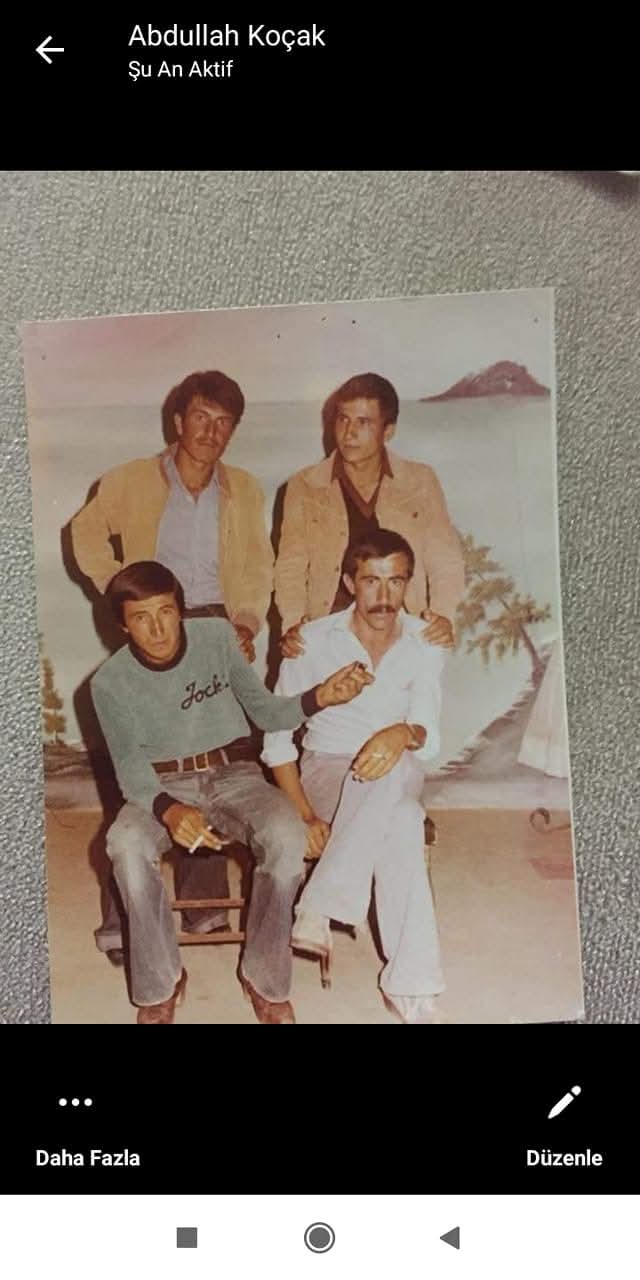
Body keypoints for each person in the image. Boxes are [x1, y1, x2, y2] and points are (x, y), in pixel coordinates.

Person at [90, 560, 372, 1025]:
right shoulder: (109, 683)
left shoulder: (217, 638)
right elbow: (130, 769)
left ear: (181, 610)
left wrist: (320, 696)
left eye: (166, 612)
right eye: (141, 617)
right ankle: (161, 984)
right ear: (122, 626)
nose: (158, 629)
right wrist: (169, 809)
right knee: (125, 843)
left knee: (286, 835)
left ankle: (263, 978)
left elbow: (266, 712)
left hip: (234, 775)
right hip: (159, 785)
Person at [71, 369, 274, 954]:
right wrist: (124, 593)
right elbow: (84, 532)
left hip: (214, 627)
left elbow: (258, 565)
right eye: (201, 417)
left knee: (214, 761)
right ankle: (123, 918)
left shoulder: (245, 489)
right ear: (178, 420)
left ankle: (204, 906)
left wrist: (246, 622)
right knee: (140, 762)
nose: (211, 432)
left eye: (224, 423)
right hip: (155, 623)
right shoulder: (132, 479)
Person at [262, 529, 446, 1024]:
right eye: (371, 581)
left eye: (396, 582)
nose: (384, 597)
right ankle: (411, 986)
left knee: (395, 764)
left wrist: (400, 733)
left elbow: (429, 737)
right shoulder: (311, 642)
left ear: (408, 583)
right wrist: (303, 814)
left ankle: (321, 903)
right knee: (404, 821)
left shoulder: (426, 643)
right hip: (327, 770)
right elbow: (277, 741)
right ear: (349, 582)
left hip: (399, 763)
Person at [275, 372, 465, 657]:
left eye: (363, 422)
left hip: (403, 632)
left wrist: (443, 616)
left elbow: (445, 559)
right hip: (328, 634)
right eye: (343, 419)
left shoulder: (420, 481)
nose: (349, 433)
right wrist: (293, 624)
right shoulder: (305, 486)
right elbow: (290, 565)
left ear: (388, 431)